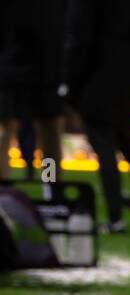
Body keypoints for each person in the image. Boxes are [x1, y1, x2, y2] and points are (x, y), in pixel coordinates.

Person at [62, 0, 130, 234]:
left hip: (96, 85)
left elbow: (79, 41)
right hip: (127, 84)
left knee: (105, 151)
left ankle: (115, 218)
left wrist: (69, 82)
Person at [0, 0, 66, 188]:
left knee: (50, 132)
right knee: (6, 130)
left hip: (48, 65)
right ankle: (3, 194)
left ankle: (51, 188)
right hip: (11, 63)